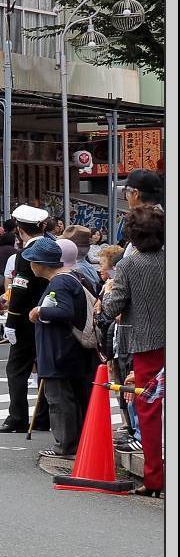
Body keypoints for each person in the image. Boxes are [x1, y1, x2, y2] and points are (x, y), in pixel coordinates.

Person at [101, 205, 163, 496]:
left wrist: (108, 293)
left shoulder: (129, 265)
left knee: (149, 409)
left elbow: (113, 307)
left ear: (132, 236)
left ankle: (155, 479)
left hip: (148, 343)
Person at [21, 237, 95, 462]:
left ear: (41, 263)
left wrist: (39, 311)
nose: (30, 266)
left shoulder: (59, 283)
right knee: (71, 398)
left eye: (32, 261)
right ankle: (74, 443)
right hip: (69, 350)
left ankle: (65, 446)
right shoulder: (70, 278)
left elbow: (65, 311)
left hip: (59, 350)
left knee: (59, 400)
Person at [0, 205, 52, 435]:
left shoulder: (26, 254)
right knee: (44, 368)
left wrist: (11, 322)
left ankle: (17, 417)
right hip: (48, 315)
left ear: (20, 230)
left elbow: (20, 290)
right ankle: (42, 417)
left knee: (16, 370)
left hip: (25, 321)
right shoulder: (52, 247)